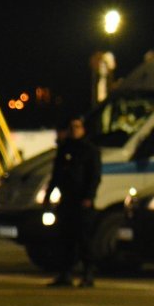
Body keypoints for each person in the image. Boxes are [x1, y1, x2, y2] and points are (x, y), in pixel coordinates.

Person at [44, 116, 101, 287]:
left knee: (84, 239)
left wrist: (89, 197)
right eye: (72, 127)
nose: (74, 130)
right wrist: (48, 195)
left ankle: (88, 273)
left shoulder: (90, 150)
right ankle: (65, 274)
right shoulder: (65, 149)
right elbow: (56, 175)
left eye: (77, 127)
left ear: (83, 129)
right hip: (67, 200)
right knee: (65, 239)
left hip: (81, 201)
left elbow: (94, 176)